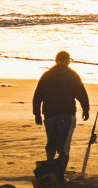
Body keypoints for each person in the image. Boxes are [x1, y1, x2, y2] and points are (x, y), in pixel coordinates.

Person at [33, 51, 90, 180]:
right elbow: (81, 93)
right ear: (66, 61)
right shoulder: (72, 75)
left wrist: (37, 114)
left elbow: (37, 96)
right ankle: (60, 176)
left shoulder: (46, 76)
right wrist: (86, 109)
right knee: (64, 147)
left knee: (51, 142)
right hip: (66, 114)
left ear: (56, 60)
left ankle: (50, 172)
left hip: (49, 115)